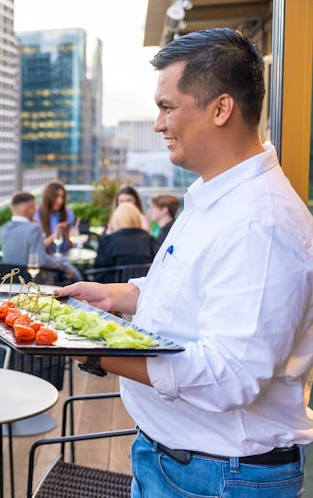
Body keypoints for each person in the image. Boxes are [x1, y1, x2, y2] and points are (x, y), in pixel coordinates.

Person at [57, 28, 313, 497]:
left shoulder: (262, 224)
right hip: (176, 460)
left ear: (221, 109)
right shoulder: (214, 195)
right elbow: (187, 289)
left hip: (219, 477)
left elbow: (228, 377)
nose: (158, 124)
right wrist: (115, 296)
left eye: (168, 107)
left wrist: (94, 351)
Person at [0, 191, 79, 283]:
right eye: (34, 207)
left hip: (11, 280)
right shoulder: (33, 229)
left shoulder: (4, 228)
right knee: (74, 274)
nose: (35, 210)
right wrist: (64, 266)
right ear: (27, 209)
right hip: (33, 281)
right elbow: (41, 260)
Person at [92, 203, 159, 283]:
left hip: (113, 291)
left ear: (116, 220)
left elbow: (98, 273)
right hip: (143, 291)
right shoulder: (151, 241)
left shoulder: (108, 241)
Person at [38, 180, 74, 255]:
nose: (60, 201)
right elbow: (38, 247)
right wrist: (56, 234)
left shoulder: (68, 213)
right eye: (56, 196)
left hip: (63, 257)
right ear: (48, 197)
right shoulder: (37, 214)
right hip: (45, 259)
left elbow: (69, 246)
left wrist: (67, 235)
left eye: (62, 197)